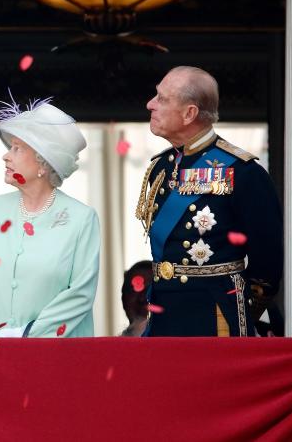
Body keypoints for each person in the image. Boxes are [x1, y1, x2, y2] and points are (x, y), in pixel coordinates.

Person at [137, 66, 282, 336]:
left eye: (162, 98)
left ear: (189, 113)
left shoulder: (244, 172)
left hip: (216, 319)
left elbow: (267, 266)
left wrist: (234, 311)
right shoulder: (161, 168)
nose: (150, 104)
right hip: (164, 316)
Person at [0, 96, 100, 338]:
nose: (6, 156)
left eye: (17, 148)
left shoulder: (81, 218)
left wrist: (24, 334)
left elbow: (80, 294)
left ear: (44, 162)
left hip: (52, 358)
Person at [120, 261, 153, 337]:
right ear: (123, 299)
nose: (142, 299)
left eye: (150, 290)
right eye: (133, 290)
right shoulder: (112, 347)